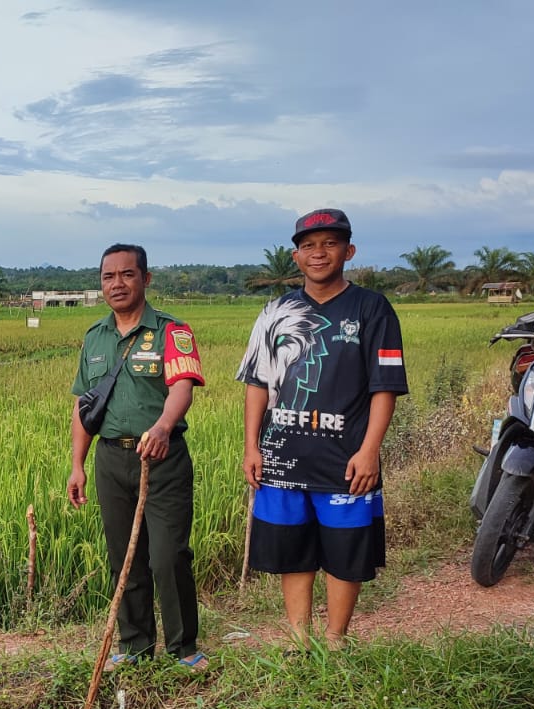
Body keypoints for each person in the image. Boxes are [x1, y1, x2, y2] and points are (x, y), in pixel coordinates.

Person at [237, 209, 408, 649]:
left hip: (347, 457)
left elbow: (384, 388)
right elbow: (257, 383)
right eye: (309, 245)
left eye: (330, 244)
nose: (319, 253)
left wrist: (370, 450)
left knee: (345, 552)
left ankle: (335, 640)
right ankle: (299, 639)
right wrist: (251, 446)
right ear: (296, 256)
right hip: (282, 454)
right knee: (293, 550)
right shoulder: (275, 311)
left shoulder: (373, 309)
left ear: (348, 251)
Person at [68, 244, 208, 669]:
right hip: (111, 460)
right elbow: (82, 406)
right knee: (122, 557)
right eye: (108, 277)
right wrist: (77, 464)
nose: (117, 284)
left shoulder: (172, 331)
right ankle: (134, 646)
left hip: (162, 460)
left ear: (145, 279)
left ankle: (183, 648)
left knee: (168, 556)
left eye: (127, 275)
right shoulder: (94, 338)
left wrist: (164, 428)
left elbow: (182, 387)